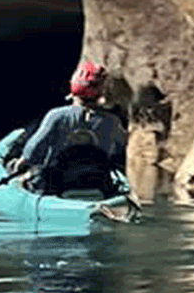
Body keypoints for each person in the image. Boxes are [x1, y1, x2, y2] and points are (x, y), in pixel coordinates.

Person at [13, 59, 128, 196]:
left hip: (57, 183)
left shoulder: (57, 115)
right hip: (97, 181)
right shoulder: (112, 121)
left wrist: (22, 162)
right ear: (100, 93)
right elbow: (121, 146)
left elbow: (33, 150)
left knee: (27, 176)